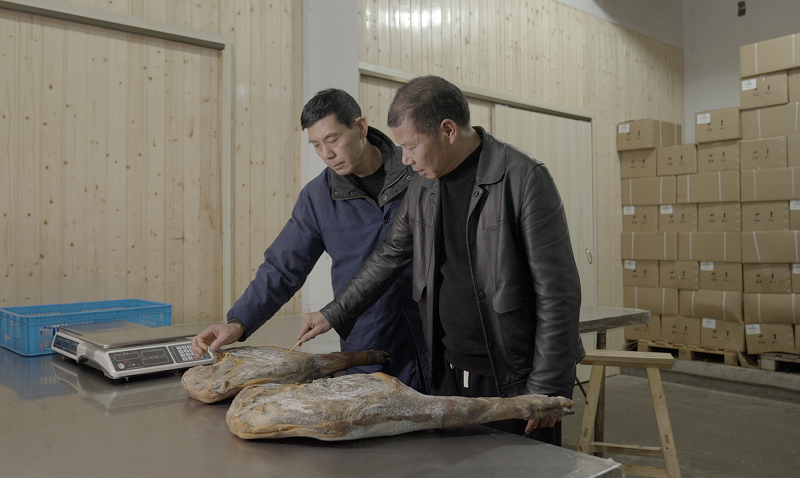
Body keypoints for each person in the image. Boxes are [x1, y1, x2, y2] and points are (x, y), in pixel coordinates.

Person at [297, 76, 583, 445]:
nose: (405, 159)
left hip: (513, 378)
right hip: (447, 374)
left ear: (447, 130)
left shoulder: (523, 178)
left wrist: (546, 387)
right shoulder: (423, 184)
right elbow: (389, 257)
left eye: (411, 146)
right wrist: (333, 313)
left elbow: (558, 294)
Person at [191, 89, 430, 393]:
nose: (326, 153)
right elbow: (282, 267)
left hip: (435, 334)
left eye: (333, 140)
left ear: (360, 127)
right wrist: (238, 322)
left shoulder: (419, 171)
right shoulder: (317, 198)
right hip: (369, 342)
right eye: (316, 145)